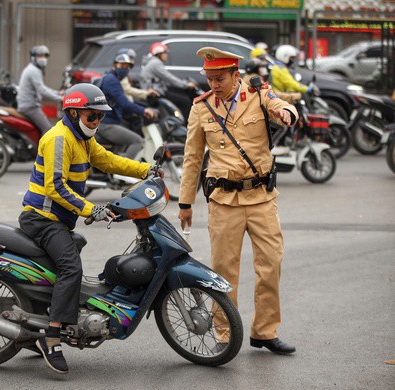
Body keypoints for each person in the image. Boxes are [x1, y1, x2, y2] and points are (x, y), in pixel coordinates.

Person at [19, 83, 154, 374]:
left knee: (73, 251)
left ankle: (39, 319)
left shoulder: (81, 139)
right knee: (71, 267)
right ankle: (52, 337)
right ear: (73, 112)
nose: (96, 121)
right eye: (91, 116)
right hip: (42, 219)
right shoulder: (59, 138)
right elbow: (55, 186)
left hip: (58, 220)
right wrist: (92, 209)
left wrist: (145, 170)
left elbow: (107, 160)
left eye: (100, 116)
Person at [178, 47, 298, 356]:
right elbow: (192, 159)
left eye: (219, 78)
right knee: (223, 272)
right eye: (209, 79)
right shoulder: (202, 108)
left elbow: (280, 106)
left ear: (236, 75)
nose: (213, 85)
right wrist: (185, 202)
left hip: (261, 198)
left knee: (271, 264)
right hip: (224, 200)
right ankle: (224, 333)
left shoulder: (258, 94)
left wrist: (287, 113)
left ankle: (265, 332)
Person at [96, 53, 155, 159]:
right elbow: (123, 102)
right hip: (106, 124)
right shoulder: (112, 80)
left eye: (127, 67)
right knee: (137, 141)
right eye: (122, 66)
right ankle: (122, 170)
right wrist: (143, 111)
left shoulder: (111, 78)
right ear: (114, 65)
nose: (125, 69)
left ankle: (113, 166)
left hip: (108, 120)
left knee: (126, 133)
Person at [140, 42, 198, 122]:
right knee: (185, 101)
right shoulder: (155, 63)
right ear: (159, 54)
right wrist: (185, 85)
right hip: (155, 94)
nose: (166, 55)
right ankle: (188, 125)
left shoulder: (153, 62)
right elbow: (169, 78)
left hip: (158, 91)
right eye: (165, 53)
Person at [16, 45, 62, 136]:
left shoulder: (33, 69)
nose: (43, 59)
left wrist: (58, 93)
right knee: (47, 128)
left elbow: (43, 87)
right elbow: (42, 90)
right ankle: (43, 150)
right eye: (40, 56)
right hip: (30, 107)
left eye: (45, 56)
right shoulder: (33, 71)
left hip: (28, 105)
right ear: (33, 58)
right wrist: (60, 98)